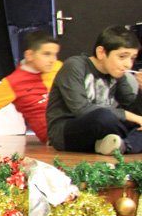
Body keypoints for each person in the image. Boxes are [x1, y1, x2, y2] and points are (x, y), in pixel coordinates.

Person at [46, 25, 142, 154]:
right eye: (122, 57)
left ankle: (122, 145)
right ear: (101, 52)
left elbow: (132, 109)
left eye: (132, 58)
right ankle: (130, 142)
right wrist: (134, 118)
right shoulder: (75, 66)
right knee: (103, 117)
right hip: (67, 131)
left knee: (115, 119)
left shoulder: (117, 73)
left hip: (107, 128)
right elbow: (81, 109)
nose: (128, 64)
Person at [0, 30, 61, 142]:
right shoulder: (13, 82)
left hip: (71, 121)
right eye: (47, 54)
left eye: (55, 54)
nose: (53, 60)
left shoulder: (58, 67)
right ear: (29, 55)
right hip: (54, 133)